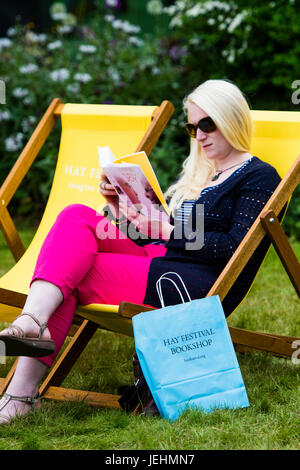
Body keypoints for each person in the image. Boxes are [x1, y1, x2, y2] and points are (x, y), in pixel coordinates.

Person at [0, 79, 281, 424]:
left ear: (232, 118)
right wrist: (120, 209)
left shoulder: (259, 177)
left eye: (208, 124)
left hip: (189, 283)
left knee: (73, 274)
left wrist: (168, 230)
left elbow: (236, 249)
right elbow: (158, 239)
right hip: (164, 260)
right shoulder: (204, 174)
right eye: (193, 127)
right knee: (76, 216)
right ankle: (33, 321)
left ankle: (22, 390)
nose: (200, 135)